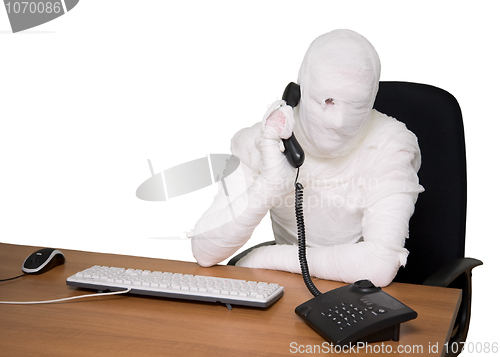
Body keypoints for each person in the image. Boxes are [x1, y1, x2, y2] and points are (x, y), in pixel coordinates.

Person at [188, 29, 424, 287]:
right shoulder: (261, 140)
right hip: (286, 290)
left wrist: (268, 256)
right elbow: (205, 251)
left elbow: (378, 265)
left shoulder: (391, 144)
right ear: (300, 88)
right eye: (328, 101)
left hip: (355, 296)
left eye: (357, 106)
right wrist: (269, 184)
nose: (340, 122)